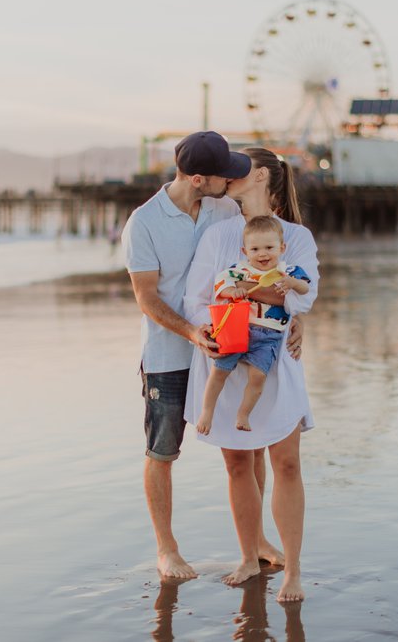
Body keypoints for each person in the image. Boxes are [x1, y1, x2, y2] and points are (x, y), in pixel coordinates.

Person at [121, 131, 296, 579]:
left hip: (230, 345)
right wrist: (190, 331)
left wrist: (297, 318)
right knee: (162, 450)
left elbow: (268, 251)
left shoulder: (222, 208)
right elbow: (146, 297)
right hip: (169, 353)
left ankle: (255, 540)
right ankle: (167, 549)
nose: (233, 179)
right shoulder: (143, 223)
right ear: (199, 178)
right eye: (225, 174)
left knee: (246, 447)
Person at [184, 147, 318, 602]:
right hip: (226, 350)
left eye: (238, 171)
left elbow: (304, 296)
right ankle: (247, 556)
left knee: (287, 462)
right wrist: (214, 320)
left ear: (261, 175)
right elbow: (197, 297)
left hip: (277, 360)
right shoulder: (217, 234)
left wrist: (254, 297)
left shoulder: (297, 236)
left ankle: (293, 571)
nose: (228, 177)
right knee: (238, 462)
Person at [197, 216, 311, 434]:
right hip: (240, 329)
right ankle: (207, 411)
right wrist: (234, 291)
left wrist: (292, 283)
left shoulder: (288, 271)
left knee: (258, 376)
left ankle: (243, 413)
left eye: (269, 247)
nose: (262, 254)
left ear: (282, 247)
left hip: (270, 335)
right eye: (255, 249)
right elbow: (221, 285)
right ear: (245, 251)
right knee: (220, 371)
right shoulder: (239, 270)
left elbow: (306, 289)